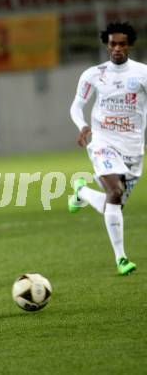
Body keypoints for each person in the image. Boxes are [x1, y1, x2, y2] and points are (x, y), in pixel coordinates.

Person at [68, 22, 147, 275]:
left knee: (112, 205)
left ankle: (82, 193)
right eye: (113, 43)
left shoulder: (142, 73)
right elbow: (76, 106)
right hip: (103, 142)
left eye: (122, 44)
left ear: (130, 45)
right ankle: (121, 259)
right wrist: (82, 126)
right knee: (115, 191)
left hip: (134, 147)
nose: (117, 48)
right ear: (106, 45)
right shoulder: (94, 74)